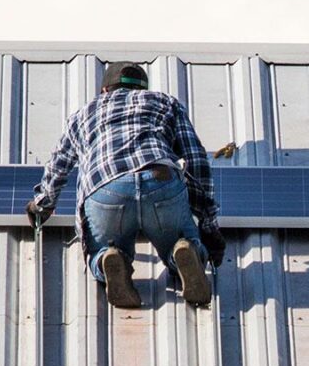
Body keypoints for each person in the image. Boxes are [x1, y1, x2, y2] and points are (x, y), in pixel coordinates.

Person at [27, 63, 226, 310]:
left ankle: (109, 258)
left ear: (105, 89)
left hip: (106, 187)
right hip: (159, 178)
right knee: (185, 238)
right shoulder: (165, 102)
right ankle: (185, 251)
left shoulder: (82, 114)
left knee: (100, 250)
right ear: (143, 88)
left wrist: (43, 204)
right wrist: (208, 223)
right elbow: (196, 158)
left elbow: (59, 164)